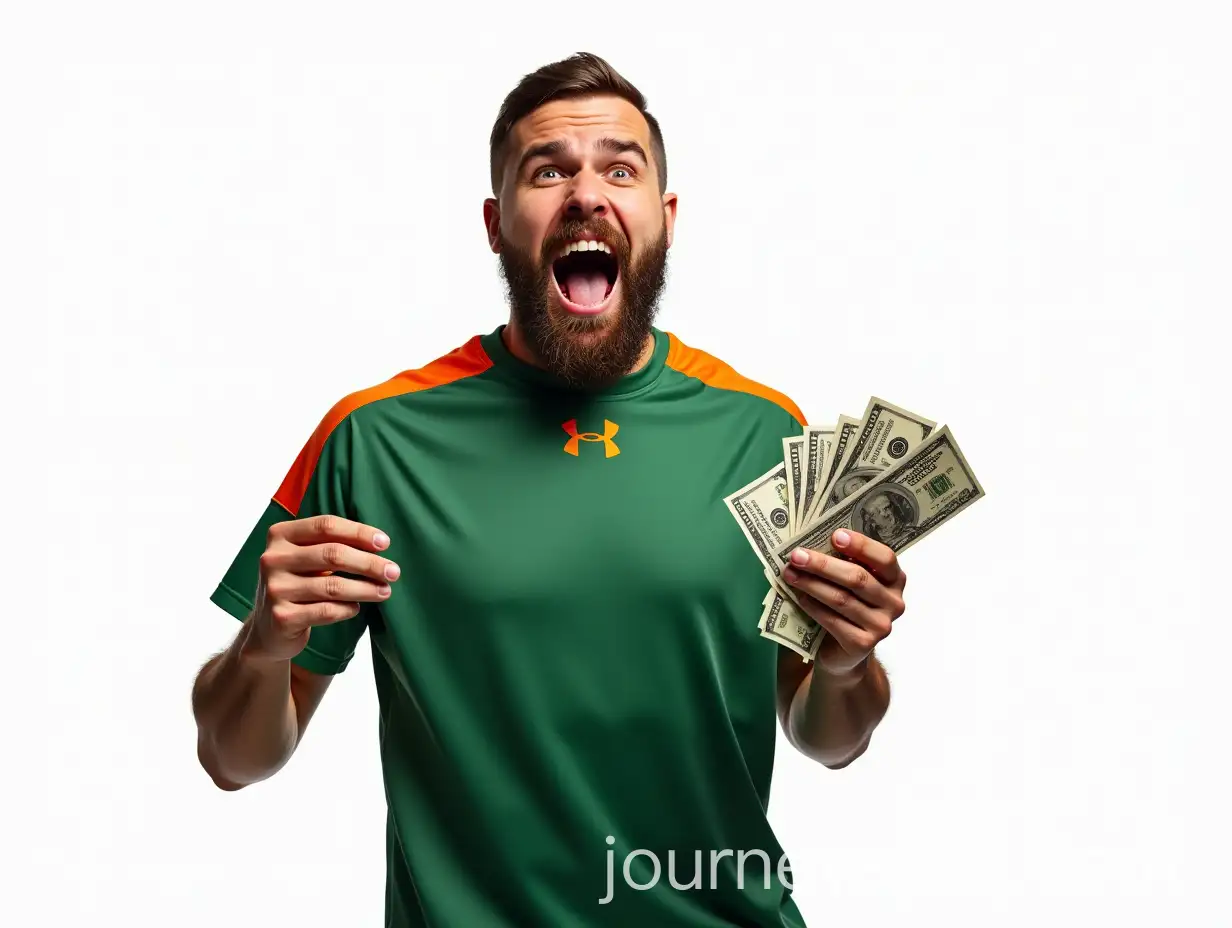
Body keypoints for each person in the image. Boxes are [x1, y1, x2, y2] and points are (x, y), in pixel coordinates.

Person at [192, 51, 907, 928]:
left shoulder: (764, 433)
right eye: (548, 171)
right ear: (497, 225)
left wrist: (848, 661)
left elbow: (828, 737)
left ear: (665, 219)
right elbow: (231, 758)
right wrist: (263, 646)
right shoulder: (374, 439)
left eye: (620, 167)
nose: (585, 193)